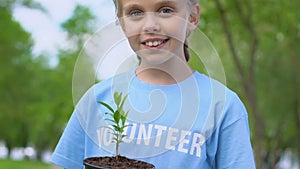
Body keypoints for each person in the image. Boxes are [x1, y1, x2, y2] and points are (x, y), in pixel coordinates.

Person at [50, 0, 256, 168]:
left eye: (165, 10)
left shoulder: (223, 107)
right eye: (135, 12)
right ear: (122, 23)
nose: (150, 25)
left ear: (192, 16)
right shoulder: (97, 99)